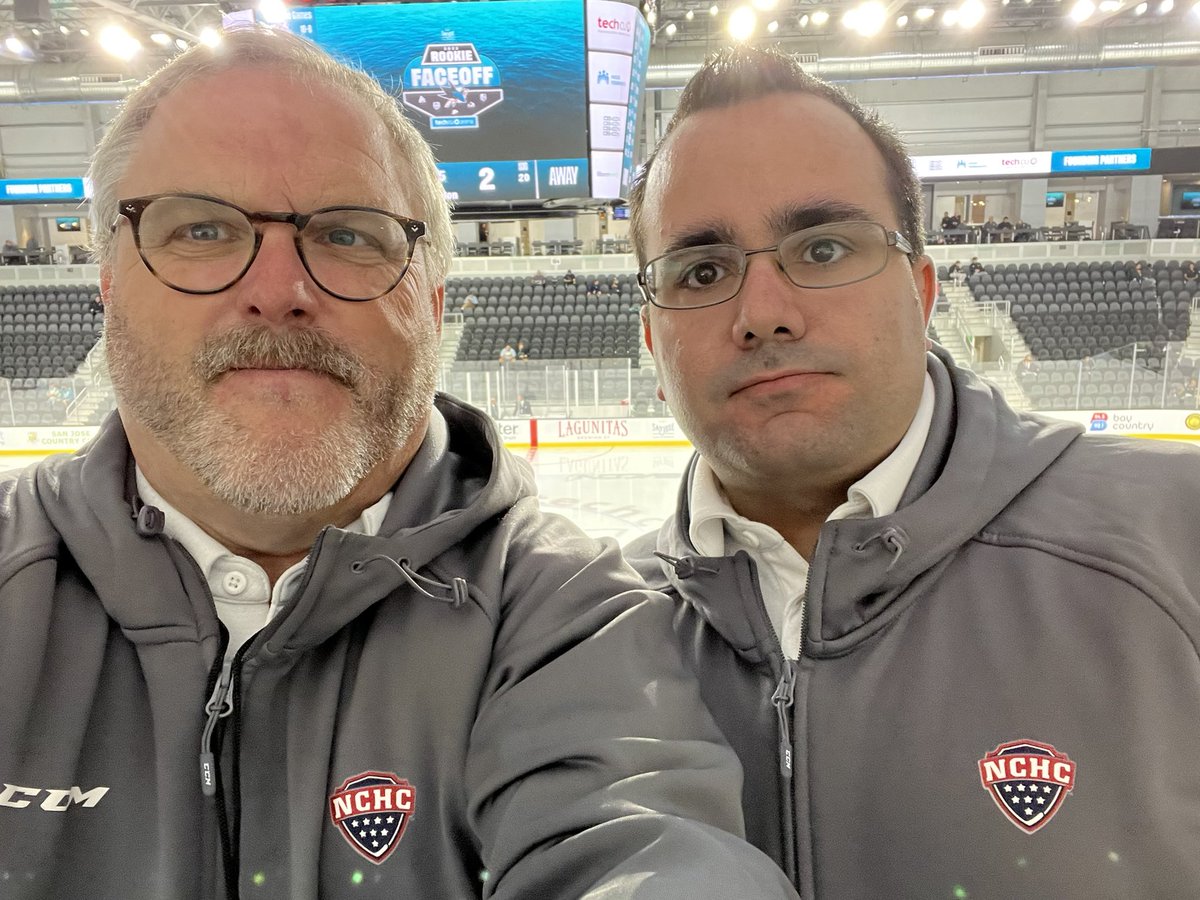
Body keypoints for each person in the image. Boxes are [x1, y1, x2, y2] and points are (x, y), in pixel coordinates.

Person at [0, 30, 799, 900]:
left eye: (349, 235)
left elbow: (640, 848)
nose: (278, 287)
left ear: (435, 302)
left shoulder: (569, 614)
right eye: (201, 228)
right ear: (109, 279)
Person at [625, 45, 1200, 896]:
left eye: (821, 249)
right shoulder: (595, 630)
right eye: (702, 270)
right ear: (650, 340)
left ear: (923, 291)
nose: (763, 314)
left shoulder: (1176, 541)